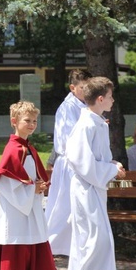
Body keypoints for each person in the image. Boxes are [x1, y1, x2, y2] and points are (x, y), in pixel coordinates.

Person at [0, 101, 66, 270]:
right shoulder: (14, 149)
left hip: (29, 210)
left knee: (38, 254)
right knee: (17, 256)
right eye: (27, 121)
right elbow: (4, 181)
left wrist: (36, 187)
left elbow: (28, 178)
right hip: (15, 215)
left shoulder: (27, 148)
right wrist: (33, 189)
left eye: (34, 121)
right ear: (14, 122)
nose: (32, 124)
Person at [66, 76, 124, 270]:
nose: (112, 100)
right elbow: (82, 161)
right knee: (93, 239)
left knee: (100, 239)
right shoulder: (87, 124)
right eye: (110, 96)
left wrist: (112, 164)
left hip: (93, 188)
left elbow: (96, 158)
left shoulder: (97, 122)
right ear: (100, 99)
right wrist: (111, 169)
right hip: (85, 189)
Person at [45, 69, 91, 260]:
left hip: (82, 164)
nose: (86, 91)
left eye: (89, 87)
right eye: (83, 87)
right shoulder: (67, 108)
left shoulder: (84, 105)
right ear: (73, 88)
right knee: (61, 213)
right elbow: (69, 140)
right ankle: (45, 253)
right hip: (70, 164)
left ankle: (78, 254)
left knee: (78, 213)